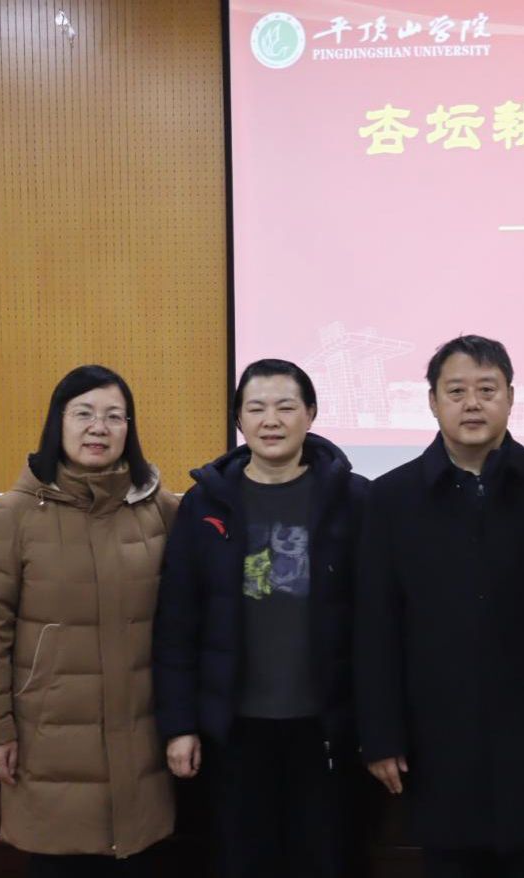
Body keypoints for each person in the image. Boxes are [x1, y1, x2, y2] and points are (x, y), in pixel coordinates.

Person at [355, 335, 524, 878]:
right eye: (456, 391)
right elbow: (375, 627)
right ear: (432, 401)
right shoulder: (390, 499)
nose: (472, 404)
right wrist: (380, 735)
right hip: (436, 737)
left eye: (487, 390)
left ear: (511, 397)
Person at [151, 359, 368, 878]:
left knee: (326, 861)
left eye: (286, 407)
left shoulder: (353, 499)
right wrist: (180, 726)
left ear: (310, 414)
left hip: (326, 728)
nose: (271, 420)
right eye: (256, 408)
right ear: (239, 420)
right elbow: (177, 625)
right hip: (233, 731)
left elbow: (376, 620)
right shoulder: (205, 504)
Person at [0, 365, 177, 876]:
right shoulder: (14, 516)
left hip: (140, 742)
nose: (99, 427)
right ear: (58, 423)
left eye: (115, 416)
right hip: (47, 746)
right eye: (84, 414)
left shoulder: (156, 509)